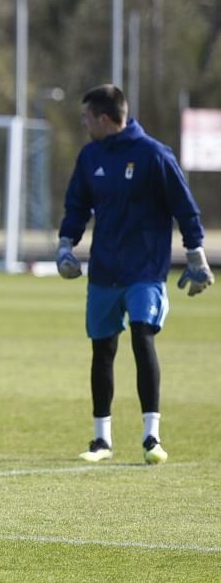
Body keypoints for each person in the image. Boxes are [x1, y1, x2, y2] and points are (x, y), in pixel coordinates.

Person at [57, 84, 213, 465]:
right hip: (104, 270)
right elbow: (77, 205)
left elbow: (184, 207)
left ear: (105, 119)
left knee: (143, 338)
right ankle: (101, 441)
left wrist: (196, 255)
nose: (83, 124)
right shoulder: (91, 155)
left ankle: (151, 437)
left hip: (146, 269)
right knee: (103, 349)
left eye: (86, 118)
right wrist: (65, 245)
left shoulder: (154, 155)